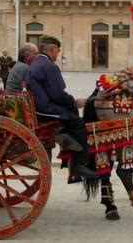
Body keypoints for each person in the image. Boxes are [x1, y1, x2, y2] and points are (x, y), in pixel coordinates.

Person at [25, 35, 97, 179]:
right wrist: (74, 101)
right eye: (58, 50)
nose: (58, 54)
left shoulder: (36, 64)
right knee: (78, 123)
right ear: (51, 49)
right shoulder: (49, 66)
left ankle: (67, 145)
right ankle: (79, 165)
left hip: (40, 106)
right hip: (45, 109)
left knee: (72, 113)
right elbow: (57, 94)